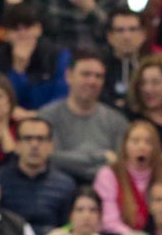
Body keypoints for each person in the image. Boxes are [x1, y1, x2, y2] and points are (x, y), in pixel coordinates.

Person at [38, 51, 128, 183]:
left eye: (99, 76)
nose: (92, 81)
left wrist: (73, 163)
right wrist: (102, 157)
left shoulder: (117, 121)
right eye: (86, 74)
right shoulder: (47, 117)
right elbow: (50, 158)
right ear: (68, 76)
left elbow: (120, 165)